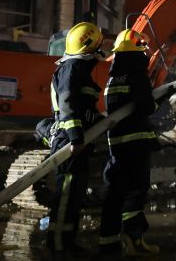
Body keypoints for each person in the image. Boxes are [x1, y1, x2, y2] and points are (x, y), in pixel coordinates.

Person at [98, 29, 176, 256]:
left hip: (118, 144)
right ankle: (135, 239)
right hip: (136, 144)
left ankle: (111, 243)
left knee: (117, 193)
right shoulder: (136, 74)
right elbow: (145, 108)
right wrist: (162, 97)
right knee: (136, 191)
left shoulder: (113, 77)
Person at [48, 22, 104, 254]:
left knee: (74, 198)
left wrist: (102, 122)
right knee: (66, 197)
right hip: (69, 142)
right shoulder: (72, 69)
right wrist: (76, 137)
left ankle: (68, 241)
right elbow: (68, 105)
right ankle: (58, 246)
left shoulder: (77, 69)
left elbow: (84, 109)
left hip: (78, 141)